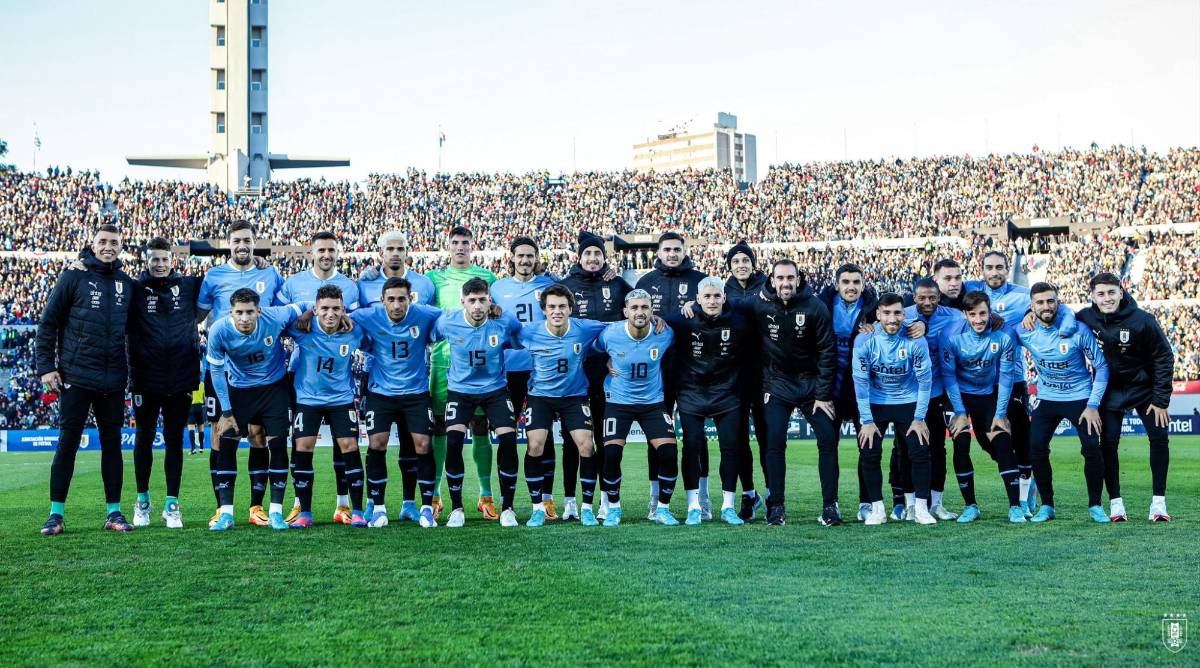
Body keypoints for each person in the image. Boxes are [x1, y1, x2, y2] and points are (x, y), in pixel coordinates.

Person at [37, 225, 137, 536]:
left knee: (112, 447)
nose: (108, 247)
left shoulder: (126, 283)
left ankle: (114, 513)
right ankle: (56, 515)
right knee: (67, 444)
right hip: (76, 375)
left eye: (114, 243)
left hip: (113, 379)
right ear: (92, 246)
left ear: (120, 247)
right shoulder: (73, 276)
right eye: (103, 242)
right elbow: (48, 323)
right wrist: (46, 367)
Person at [196, 220, 285, 528]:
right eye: (236, 241)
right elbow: (198, 315)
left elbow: (284, 310)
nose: (242, 246)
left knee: (259, 436)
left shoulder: (270, 272)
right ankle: (223, 508)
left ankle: (257, 506)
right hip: (223, 369)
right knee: (221, 435)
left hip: (262, 372)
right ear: (229, 243)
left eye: (247, 240)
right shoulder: (214, 276)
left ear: (254, 242)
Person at [736, 259, 837, 526]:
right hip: (777, 384)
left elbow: (828, 351)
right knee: (774, 443)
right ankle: (776, 506)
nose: (785, 283)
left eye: (790, 278)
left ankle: (830, 507)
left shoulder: (815, 306)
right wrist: (692, 305)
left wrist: (823, 394)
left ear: (798, 278)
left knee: (828, 439)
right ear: (771, 279)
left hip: (811, 386)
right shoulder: (758, 304)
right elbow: (724, 304)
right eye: (780, 278)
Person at [1074, 273, 1175, 522]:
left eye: (1111, 292)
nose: (1107, 298)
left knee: (1159, 438)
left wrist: (1161, 399)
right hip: (1110, 390)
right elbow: (1058, 318)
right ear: (1093, 297)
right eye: (1101, 294)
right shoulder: (1086, 316)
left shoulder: (1143, 320)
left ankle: (1158, 505)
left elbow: (1164, 357)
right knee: (1107, 444)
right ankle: (1116, 504)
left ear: (1121, 291)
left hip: (1145, 389)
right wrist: (1029, 315)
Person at [277, 231, 361, 525]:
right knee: (301, 443)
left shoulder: (351, 286)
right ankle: (301, 504)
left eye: (331, 250)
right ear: (311, 253)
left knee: (344, 445)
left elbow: (357, 319)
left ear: (338, 253)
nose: (326, 254)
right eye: (321, 249)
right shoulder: (293, 283)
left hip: (338, 379)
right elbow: (281, 316)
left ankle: (343, 505)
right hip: (302, 376)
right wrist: (306, 310)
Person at [205, 289, 306, 531]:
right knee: (227, 442)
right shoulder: (219, 330)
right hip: (240, 390)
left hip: (275, 389)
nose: (245, 318)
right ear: (231, 312)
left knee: (278, 444)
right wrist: (227, 412)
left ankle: (276, 513)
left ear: (259, 311)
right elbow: (217, 372)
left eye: (250, 312)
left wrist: (311, 313)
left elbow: (304, 304)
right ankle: (226, 514)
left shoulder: (276, 316)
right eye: (239, 312)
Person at [350, 277, 442, 528]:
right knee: (377, 444)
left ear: (410, 299)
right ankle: (378, 507)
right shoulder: (368, 315)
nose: (397, 305)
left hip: (416, 393)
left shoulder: (424, 314)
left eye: (402, 299)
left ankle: (424, 507)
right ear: (383, 301)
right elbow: (341, 317)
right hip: (381, 394)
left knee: (422, 445)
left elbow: (452, 317)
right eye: (391, 299)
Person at [432, 278, 523, 528]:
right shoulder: (447, 321)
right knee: (453, 440)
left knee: (507, 438)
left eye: (482, 300)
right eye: (472, 300)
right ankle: (457, 508)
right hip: (460, 391)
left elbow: (521, 338)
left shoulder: (504, 322)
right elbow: (426, 338)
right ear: (463, 301)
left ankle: (508, 508)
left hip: (495, 390)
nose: (477, 305)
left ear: (489, 301)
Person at [1015, 282, 1110, 523]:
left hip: (1080, 399)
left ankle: (1095, 506)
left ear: (1058, 302)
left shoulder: (1078, 330)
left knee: (1091, 449)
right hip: (1047, 398)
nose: (1046, 306)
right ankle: (1047, 506)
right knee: (1035, 449)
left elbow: (1101, 366)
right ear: (1031, 306)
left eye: (1050, 301)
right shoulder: (1024, 331)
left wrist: (1092, 405)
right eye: (1040, 302)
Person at [517, 285, 608, 526]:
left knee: (586, 445)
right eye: (552, 307)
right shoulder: (529, 331)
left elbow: (617, 330)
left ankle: (587, 508)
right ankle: (537, 508)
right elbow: (502, 334)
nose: (557, 311)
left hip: (574, 396)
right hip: (540, 397)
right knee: (535, 445)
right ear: (544, 310)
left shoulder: (585, 328)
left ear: (570, 309)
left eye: (562, 307)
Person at [556, 231, 632, 521]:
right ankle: (570, 502)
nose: (592, 258)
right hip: (574, 375)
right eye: (588, 254)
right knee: (572, 440)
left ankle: (605, 500)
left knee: (604, 439)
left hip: (610, 375)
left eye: (597, 254)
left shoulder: (616, 284)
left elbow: (637, 313)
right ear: (579, 257)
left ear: (604, 257)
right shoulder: (565, 286)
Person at [129, 237, 202, 529]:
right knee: (144, 438)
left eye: (164, 259)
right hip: (145, 378)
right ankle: (142, 501)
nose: (159, 264)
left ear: (172, 259)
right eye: (154, 259)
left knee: (174, 441)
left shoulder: (189, 285)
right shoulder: (133, 288)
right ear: (146, 261)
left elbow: (224, 285)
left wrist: (258, 261)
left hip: (181, 377)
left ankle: (172, 504)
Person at [427, 226, 500, 521]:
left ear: (473, 245)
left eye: (465, 243)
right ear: (448, 246)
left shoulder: (488, 277)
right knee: (441, 428)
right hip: (443, 363)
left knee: (480, 427)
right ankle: (435, 496)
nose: (460, 247)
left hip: (480, 366)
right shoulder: (433, 279)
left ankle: (485, 496)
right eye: (455, 243)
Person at [667, 276, 752, 525]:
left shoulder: (739, 322)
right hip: (691, 393)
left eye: (717, 296)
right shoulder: (682, 320)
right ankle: (694, 506)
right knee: (692, 446)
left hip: (726, 394)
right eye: (707, 296)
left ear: (724, 297)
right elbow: (655, 323)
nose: (712, 301)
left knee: (730, 448)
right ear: (697, 299)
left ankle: (728, 506)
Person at [634, 231, 706, 520]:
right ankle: (655, 500)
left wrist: (698, 306)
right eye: (667, 249)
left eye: (677, 249)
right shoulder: (645, 282)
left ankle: (700, 499)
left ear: (684, 250)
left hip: (692, 370)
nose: (672, 254)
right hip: (655, 372)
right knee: (657, 438)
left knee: (695, 438)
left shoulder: (700, 280)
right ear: (659, 252)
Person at [592, 289, 678, 527]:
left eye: (644, 307)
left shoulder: (665, 334)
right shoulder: (610, 334)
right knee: (610, 454)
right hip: (618, 402)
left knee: (669, 453)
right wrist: (607, 361)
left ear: (652, 311)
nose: (640, 312)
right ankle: (614, 508)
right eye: (635, 308)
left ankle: (662, 509)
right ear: (625, 312)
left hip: (653, 403)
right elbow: (594, 351)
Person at [285, 285, 368, 528]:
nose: (330, 313)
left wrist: (349, 318)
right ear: (316, 309)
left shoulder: (354, 332)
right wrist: (305, 314)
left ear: (343, 310)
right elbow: (279, 322)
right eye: (324, 308)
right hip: (308, 400)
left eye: (336, 308)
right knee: (303, 447)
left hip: (341, 399)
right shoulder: (302, 329)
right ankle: (305, 513)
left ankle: (358, 511)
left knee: (349, 447)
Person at [941, 291, 1027, 524]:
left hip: (987, 396)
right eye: (973, 314)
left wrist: (1000, 414)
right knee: (961, 442)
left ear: (990, 313)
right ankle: (971, 506)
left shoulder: (1004, 335)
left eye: (983, 313)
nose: (978, 319)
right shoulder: (950, 335)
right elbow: (949, 377)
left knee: (1002, 441)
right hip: (958, 396)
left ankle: (1015, 507)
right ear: (965, 315)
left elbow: (1007, 377)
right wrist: (959, 413)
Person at [490, 237, 560, 517]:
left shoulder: (549, 286)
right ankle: (506, 502)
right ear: (512, 258)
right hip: (507, 371)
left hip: (541, 369)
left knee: (544, 436)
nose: (525, 260)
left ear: (537, 258)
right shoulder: (497, 288)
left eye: (530, 256)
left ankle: (547, 498)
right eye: (521, 255)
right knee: (507, 437)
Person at [853, 293, 935, 525]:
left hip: (907, 401)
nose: (892, 319)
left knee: (919, 450)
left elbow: (925, 382)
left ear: (904, 314)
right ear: (878, 315)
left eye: (897, 313)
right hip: (876, 403)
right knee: (869, 452)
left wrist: (919, 418)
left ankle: (919, 508)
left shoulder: (916, 339)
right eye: (886, 313)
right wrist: (866, 421)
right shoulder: (864, 341)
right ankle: (877, 509)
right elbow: (860, 383)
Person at [890, 278, 966, 521]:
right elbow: (884, 326)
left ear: (939, 296)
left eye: (932, 297)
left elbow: (978, 322)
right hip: (908, 395)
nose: (927, 302)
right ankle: (906, 503)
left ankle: (936, 504)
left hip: (937, 392)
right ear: (914, 296)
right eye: (921, 297)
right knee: (904, 449)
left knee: (937, 449)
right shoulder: (904, 314)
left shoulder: (954, 316)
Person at [723, 240, 769, 521]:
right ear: (729, 266)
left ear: (754, 263)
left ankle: (774, 493)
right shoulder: (720, 290)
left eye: (746, 260)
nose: (741, 265)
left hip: (765, 374)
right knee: (738, 440)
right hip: (734, 376)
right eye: (736, 261)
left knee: (769, 439)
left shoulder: (769, 286)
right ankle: (749, 494)